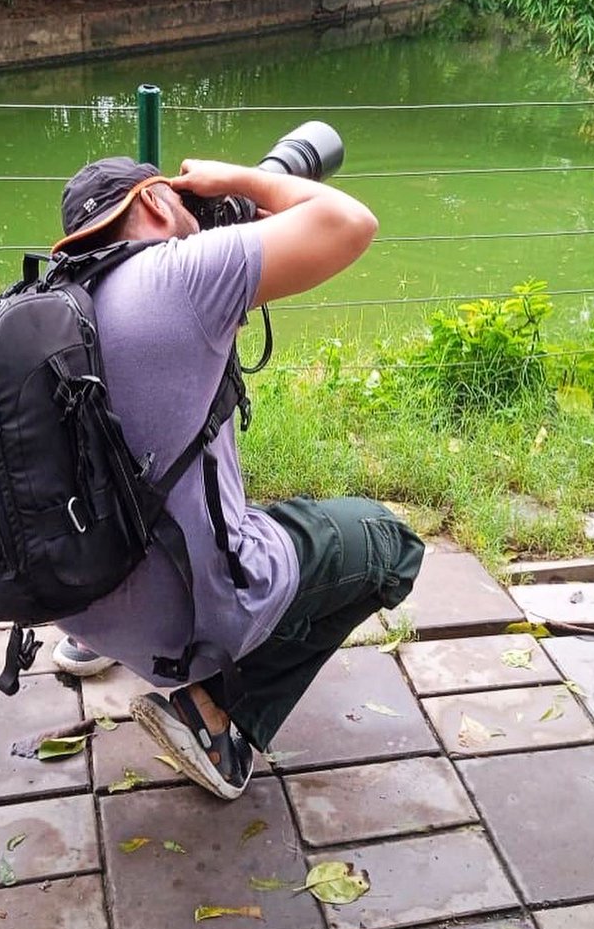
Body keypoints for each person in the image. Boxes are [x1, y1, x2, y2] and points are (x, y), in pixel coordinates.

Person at [49, 153, 425, 800]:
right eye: (177, 199)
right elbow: (349, 222)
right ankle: (216, 717)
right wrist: (240, 180)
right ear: (157, 203)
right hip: (186, 617)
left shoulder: (51, 299)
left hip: (71, 597)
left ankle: (91, 643)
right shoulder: (178, 276)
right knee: (391, 546)